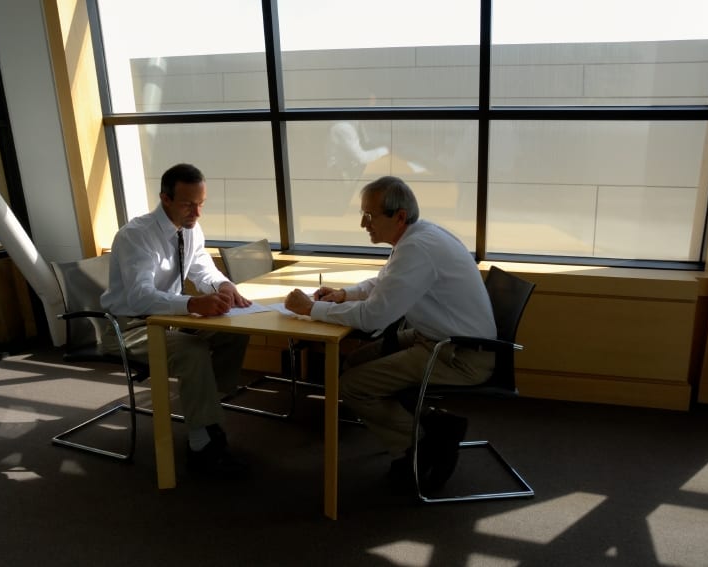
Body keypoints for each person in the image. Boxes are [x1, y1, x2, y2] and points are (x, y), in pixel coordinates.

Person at [284, 175, 497, 491]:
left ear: (398, 216)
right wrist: (345, 294)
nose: (362, 223)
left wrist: (310, 309)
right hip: (441, 339)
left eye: (369, 215)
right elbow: (384, 283)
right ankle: (434, 423)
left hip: (460, 355)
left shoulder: (418, 248)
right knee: (356, 361)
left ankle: (423, 443)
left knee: (353, 387)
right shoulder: (418, 236)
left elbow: (374, 316)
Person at [100, 163, 252, 478]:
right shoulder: (137, 236)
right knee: (192, 350)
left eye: (201, 204)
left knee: (235, 331)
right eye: (188, 204)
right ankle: (202, 446)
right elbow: (141, 297)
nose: (196, 213)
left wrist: (224, 286)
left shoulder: (190, 228)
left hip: (165, 321)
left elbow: (202, 268)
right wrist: (194, 303)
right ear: (165, 199)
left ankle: (208, 413)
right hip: (129, 327)